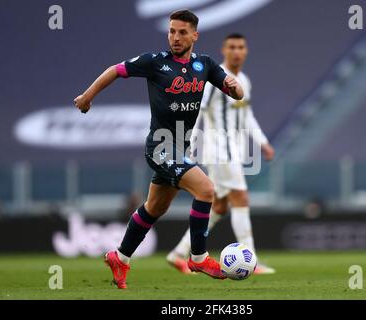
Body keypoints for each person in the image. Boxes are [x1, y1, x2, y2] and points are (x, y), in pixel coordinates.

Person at [74, 10, 244, 289]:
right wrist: (87, 97)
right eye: (171, 31)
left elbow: (235, 93)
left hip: (180, 146)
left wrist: (235, 88)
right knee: (206, 189)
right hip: (160, 146)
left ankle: (120, 257)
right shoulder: (155, 62)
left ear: (194, 35)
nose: (175, 37)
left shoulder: (206, 65)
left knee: (155, 207)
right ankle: (199, 257)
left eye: (182, 32)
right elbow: (115, 71)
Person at [166, 33, 276, 274]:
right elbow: (197, 112)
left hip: (234, 150)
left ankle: (178, 253)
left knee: (219, 207)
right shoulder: (215, 79)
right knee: (241, 198)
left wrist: (263, 142)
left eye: (241, 47)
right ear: (224, 50)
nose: (237, 51)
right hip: (219, 149)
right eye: (232, 47)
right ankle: (251, 259)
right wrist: (190, 144)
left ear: (246, 51)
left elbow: (247, 116)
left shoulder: (243, 80)